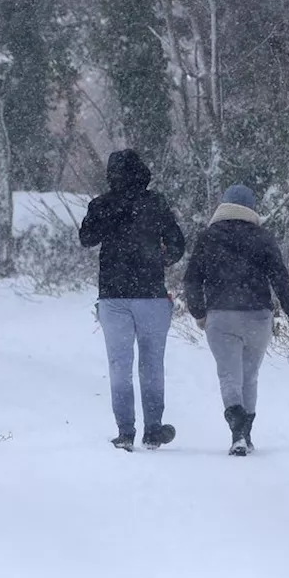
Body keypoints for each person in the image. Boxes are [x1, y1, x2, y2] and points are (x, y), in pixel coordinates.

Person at [182, 184, 289, 456]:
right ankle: (245, 435)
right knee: (250, 377)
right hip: (257, 317)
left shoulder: (208, 237)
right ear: (251, 208)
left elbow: (191, 279)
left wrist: (199, 312)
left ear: (223, 206)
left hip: (221, 317)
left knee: (229, 376)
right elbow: (280, 278)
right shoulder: (263, 237)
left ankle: (237, 432)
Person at [79, 149, 186, 451]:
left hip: (113, 295)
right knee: (152, 365)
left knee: (119, 365)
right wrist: (161, 259)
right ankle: (153, 429)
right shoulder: (155, 203)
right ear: (142, 171)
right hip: (150, 294)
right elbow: (177, 243)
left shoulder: (101, 204)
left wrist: (106, 216)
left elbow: (86, 238)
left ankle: (125, 432)